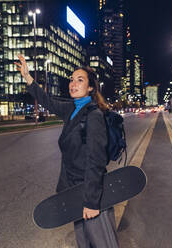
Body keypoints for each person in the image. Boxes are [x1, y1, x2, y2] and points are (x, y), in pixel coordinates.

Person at [15, 54, 119, 248]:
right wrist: (28, 77)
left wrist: (91, 202)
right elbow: (47, 100)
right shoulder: (72, 109)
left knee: (103, 243)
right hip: (74, 192)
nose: (73, 83)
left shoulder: (94, 115)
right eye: (72, 79)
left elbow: (96, 161)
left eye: (80, 80)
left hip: (89, 192)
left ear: (90, 88)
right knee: (84, 243)